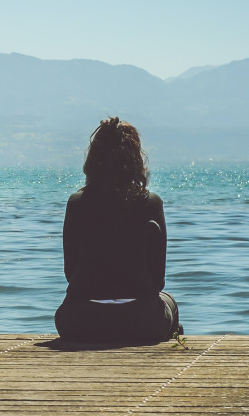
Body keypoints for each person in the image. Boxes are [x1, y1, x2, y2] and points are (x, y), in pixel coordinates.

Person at [55, 117, 181, 343]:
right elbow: (158, 281)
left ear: (93, 160)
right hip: (141, 321)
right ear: (135, 160)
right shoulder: (151, 203)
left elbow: (70, 273)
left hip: (80, 320)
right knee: (168, 300)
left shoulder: (76, 203)